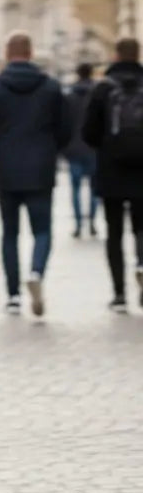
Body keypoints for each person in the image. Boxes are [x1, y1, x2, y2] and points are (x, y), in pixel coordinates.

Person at [0, 32, 71, 317]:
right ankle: (37, 272)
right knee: (42, 229)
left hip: (5, 168)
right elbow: (66, 129)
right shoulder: (51, 87)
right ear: (31, 53)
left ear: (7, 53)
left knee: (9, 233)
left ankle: (13, 295)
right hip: (40, 167)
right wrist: (51, 149)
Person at [82, 37, 143, 313]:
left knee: (114, 232)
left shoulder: (103, 88)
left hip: (112, 170)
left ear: (116, 55)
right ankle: (141, 266)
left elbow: (88, 133)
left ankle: (119, 294)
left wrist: (108, 146)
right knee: (141, 228)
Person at [64, 62, 100, 239]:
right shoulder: (99, 94)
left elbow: (63, 124)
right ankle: (92, 221)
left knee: (76, 189)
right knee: (94, 188)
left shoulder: (69, 96)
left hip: (73, 148)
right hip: (94, 148)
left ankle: (78, 224)